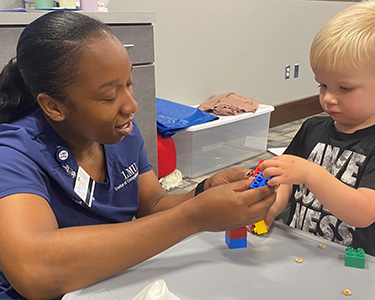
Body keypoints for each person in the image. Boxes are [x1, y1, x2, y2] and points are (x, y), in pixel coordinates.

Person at [0, 11, 275, 299]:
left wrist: (204, 192)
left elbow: (153, 204)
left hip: (107, 283)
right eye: (109, 97)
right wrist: (194, 217)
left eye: (129, 84)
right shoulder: (14, 155)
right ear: (54, 107)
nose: (131, 105)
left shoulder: (121, 135)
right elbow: (34, 271)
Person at [260, 0, 375, 258]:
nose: (328, 98)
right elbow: (287, 181)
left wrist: (311, 174)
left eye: (344, 88)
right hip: (298, 249)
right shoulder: (312, 127)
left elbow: (364, 212)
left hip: (349, 263)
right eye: (322, 85)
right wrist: (272, 208)